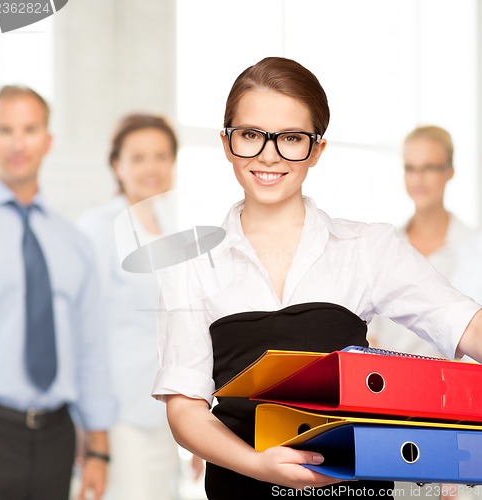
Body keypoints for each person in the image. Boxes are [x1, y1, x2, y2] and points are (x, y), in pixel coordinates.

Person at [151, 57, 482, 500]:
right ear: (227, 143)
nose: (269, 155)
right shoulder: (188, 265)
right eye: (250, 135)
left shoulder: (367, 247)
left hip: (352, 488)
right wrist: (258, 466)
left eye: (291, 138)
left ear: (317, 150)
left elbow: (467, 325)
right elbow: (185, 409)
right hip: (241, 487)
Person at [0, 85, 114, 500]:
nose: (18, 142)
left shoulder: (73, 243)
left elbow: (90, 348)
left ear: (48, 141)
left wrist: (99, 449)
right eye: (5, 129)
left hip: (58, 439)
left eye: (29, 129)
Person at [78, 113, 195, 500]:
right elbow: (82, 332)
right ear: (117, 165)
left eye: (162, 156)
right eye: (139, 157)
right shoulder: (96, 229)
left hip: (170, 413)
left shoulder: (175, 230)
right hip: (119, 413)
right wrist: (89, 425)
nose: (152, 167)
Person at [368, 125, 474, 358]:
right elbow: (369, 331)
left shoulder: (474, 248)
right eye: (411, 168)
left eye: (429, 168)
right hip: (388, 383)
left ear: (450, 171)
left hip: (454, 384)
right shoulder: (385, 246)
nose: (418, 179)